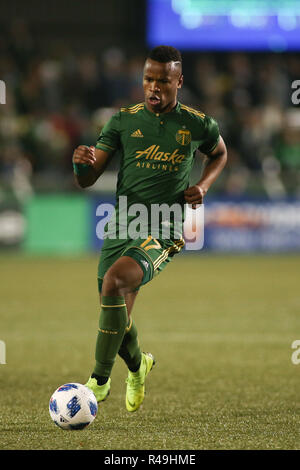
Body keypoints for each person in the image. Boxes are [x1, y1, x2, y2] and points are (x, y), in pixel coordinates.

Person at [72, 45, 227, 412]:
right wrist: (81, 165)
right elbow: (88, 180)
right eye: (148, 79)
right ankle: (139, 365)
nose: (154, 87)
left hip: (164, 227)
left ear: (179, 82)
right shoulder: (122, 121)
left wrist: (203, 186)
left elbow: (220, 153)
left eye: (163, 80)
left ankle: (98, 379)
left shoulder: (196, 124)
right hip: (123, 222)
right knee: (114, 309)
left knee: (114, 282)